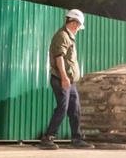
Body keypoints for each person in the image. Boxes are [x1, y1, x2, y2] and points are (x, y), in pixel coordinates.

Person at [38, 8, 93, 149]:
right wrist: (63, 77)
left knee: (75, 109)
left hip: (70, 81)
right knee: (63, 108)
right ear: (74, 23)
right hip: (61, 79)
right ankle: (48, 138)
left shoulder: (69, 37)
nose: (78, 29)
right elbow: (59, 57)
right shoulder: (62, 35)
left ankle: (77, 139)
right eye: (78, 26)